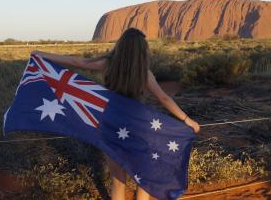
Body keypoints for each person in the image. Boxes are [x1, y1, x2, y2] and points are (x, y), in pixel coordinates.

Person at [32, 27, 200, 200]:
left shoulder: (107, 64)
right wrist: (187, 119)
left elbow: (77, 62)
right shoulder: (145, 74)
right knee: (144, 179)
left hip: (110, 126)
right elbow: (164, 99)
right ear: (142, 50)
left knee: (118, 180)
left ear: (121, 46)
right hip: (138, 129)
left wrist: (41, 54)